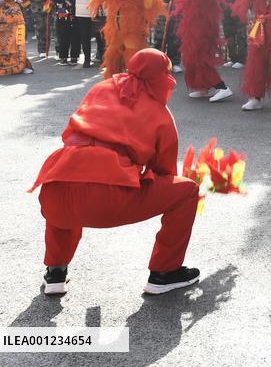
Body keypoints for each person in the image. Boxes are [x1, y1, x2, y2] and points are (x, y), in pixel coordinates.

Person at [29, 48, 200, 295]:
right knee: (186, 191)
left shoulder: (102, 88)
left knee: (66, 185)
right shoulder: (160, 114)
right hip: (108, 199)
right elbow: (165, 173)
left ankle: (55, 272)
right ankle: (164, 273)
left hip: (56, 185)